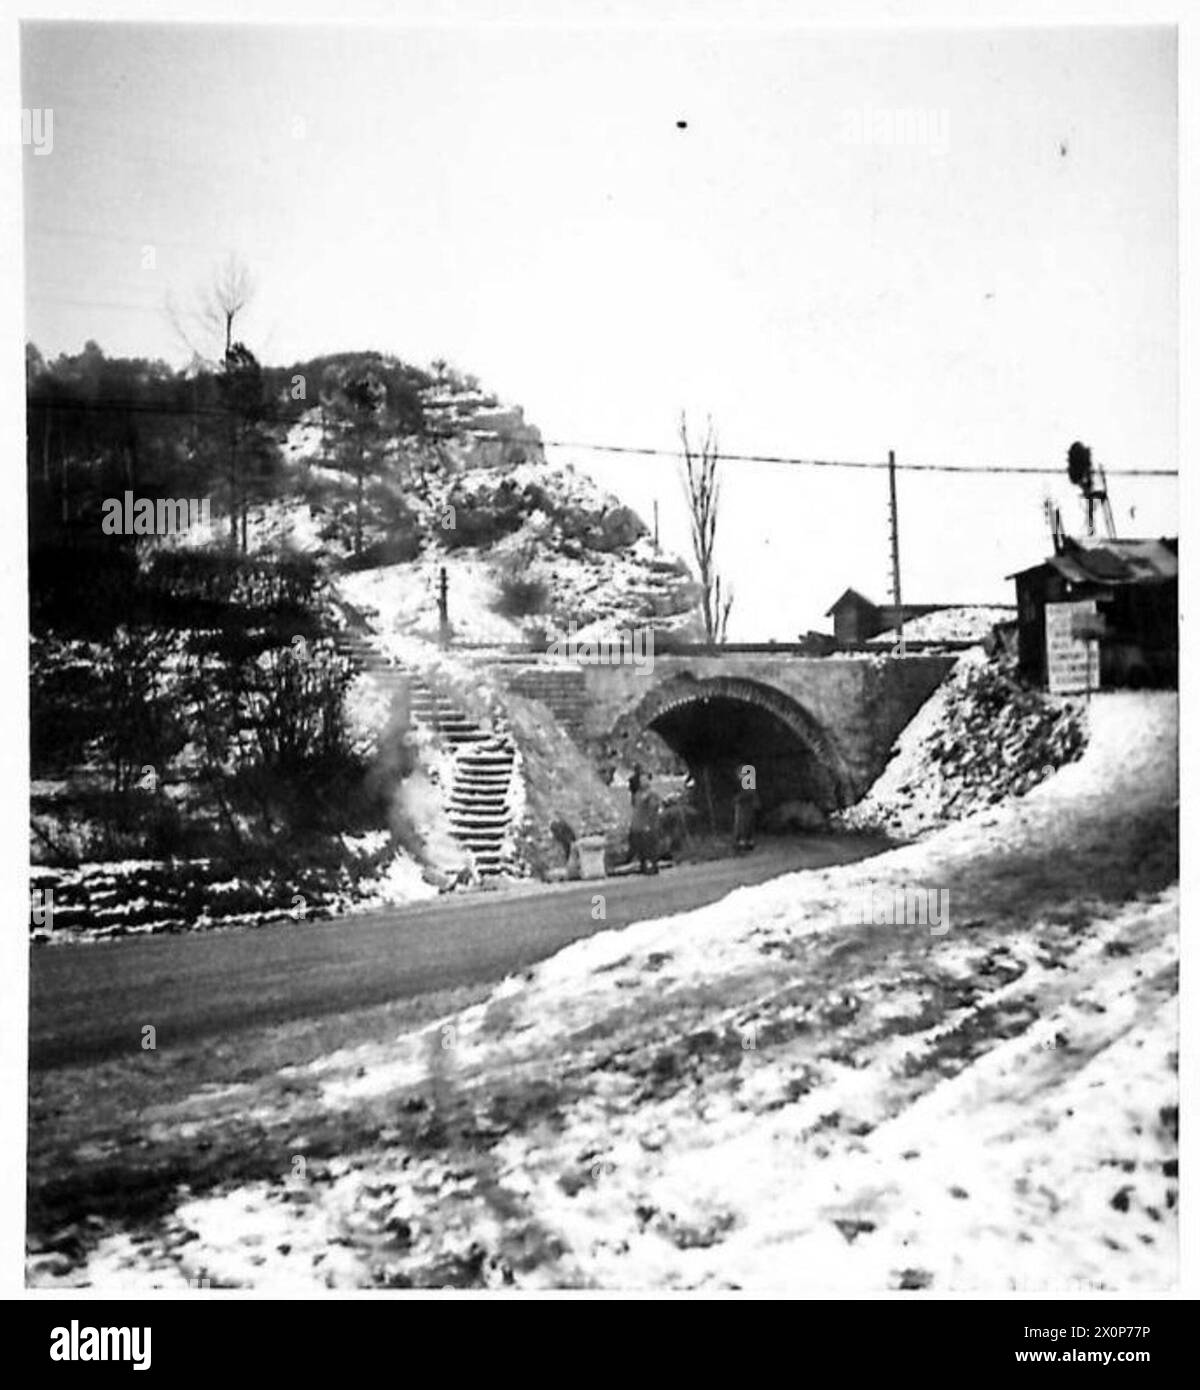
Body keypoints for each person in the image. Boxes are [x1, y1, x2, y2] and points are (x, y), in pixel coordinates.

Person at [629, 776, 662, 874]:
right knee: (641, 848)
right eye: (641, 780)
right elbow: (636, 808)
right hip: (638, 826)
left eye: (645, 780)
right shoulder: (637, 794)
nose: (643, 782)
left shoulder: (652, 794)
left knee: (650, 848)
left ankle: (652, 866)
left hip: (648, 827)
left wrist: (648, 824)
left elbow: (653, 809)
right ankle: (644, 866)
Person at [731, 785, 761, 853]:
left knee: (743, 823)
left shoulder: (747, 784)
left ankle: (743, 842)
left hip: (744, 806)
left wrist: (738, 799)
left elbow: (748, 793)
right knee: (745, 823)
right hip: (745, 805)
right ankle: (746, 842)